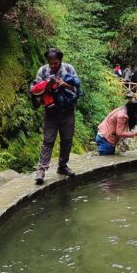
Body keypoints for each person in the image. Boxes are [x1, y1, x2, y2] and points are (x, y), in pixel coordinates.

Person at [30, 48, 81, 184]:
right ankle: (41, 170)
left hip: (68, 110)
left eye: (56, 63)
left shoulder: (69, 69)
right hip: (50, 111)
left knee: (67, 139)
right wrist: (47, 86)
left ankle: (62, 166)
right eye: (50, 63)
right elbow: (36, 93)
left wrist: (64, 84)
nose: (53, 66)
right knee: (48, 140)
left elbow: (77, 89)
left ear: (60, 61)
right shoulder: (42, 71)